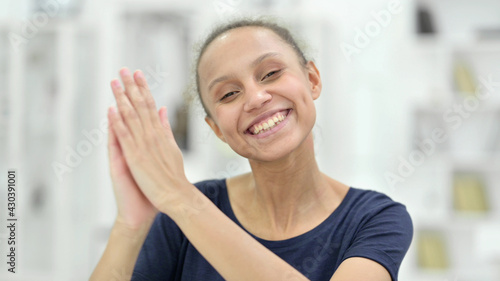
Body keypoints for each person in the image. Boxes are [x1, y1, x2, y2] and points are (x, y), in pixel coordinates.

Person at [90, 18, 413, 281]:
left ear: (312, 79)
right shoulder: (181, 217)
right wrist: (130, 226)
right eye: (229, 94)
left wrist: (179, 198)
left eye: (271, 73)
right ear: (216, 128)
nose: (256, 98)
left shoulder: (374, 219)